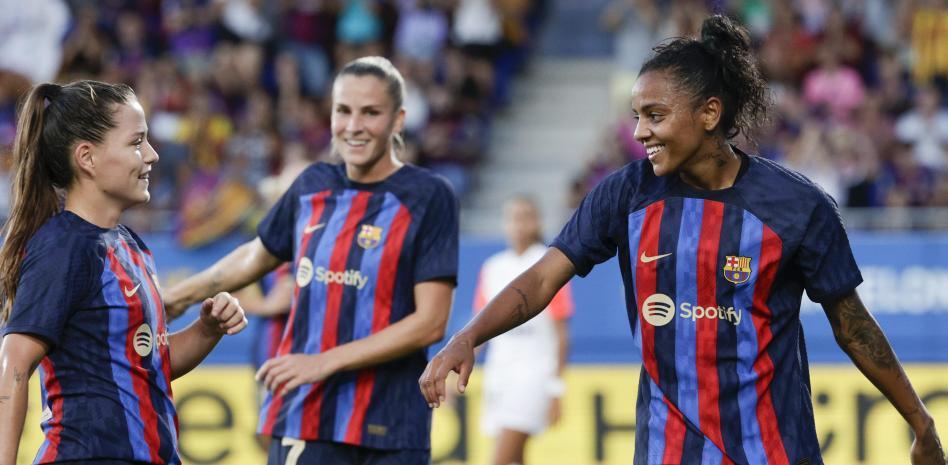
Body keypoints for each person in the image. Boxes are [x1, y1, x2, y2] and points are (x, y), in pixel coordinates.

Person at [420, 15, 947, 465]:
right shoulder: (626, 194)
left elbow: (853, 328)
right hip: (665, 451)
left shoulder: (797, 206)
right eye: (636, 118)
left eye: (655, 116)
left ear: (709, 114)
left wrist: (920, 423)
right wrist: (468, 336)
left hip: (773, 451)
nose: (641, 132)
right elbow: (541, 279)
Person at [164, 56, 459, 465]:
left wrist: (324, 361)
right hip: (306, 416)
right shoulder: (311, 186)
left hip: (393, 424)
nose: (353, 126)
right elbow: (256, 254)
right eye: (344, 111)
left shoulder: (429, 196)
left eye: (370, 113)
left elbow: (430, 322)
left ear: (398, 120)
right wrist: (177, 299)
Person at [0, 80, 247, 465]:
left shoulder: (131, 245)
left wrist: (206, 330)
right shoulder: (64, 246)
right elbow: (14, 360)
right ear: (87, 158)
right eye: (136, 143)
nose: (151, 155)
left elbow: (146, 361)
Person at [472, 195, 573, 465]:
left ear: (537, 221)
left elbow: (561, 334)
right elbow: (479, 329)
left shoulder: (548, 263)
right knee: (515, 459)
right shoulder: (493, 267)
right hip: (499, 372)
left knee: (501, 458)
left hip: (534, 373)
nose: (519, 224)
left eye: (526, 216)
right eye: (514, 217)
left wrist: (555, 388)